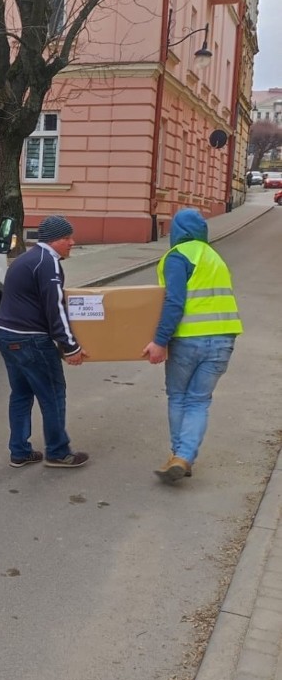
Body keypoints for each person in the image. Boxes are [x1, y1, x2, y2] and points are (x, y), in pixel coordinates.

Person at [142, 207, 242, 484]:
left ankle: (180, 455)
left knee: (179, 397)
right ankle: (184, 457)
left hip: (189, 339)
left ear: (176, 232)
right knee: (199, 401)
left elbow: (174, 302)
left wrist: (160, 341)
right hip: (224, 338)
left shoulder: (178, 257)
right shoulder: (215, 258)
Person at [0, 215, 90, 469]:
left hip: (6, 335)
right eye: (66, 238)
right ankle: (58, 452)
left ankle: (20, 451)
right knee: (53, 394)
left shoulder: (27, 258)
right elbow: (55, 308)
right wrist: (71, 347)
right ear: (53, 240)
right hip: (30, 340)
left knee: (22, 393)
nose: (72, 242)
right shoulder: (48, 263)